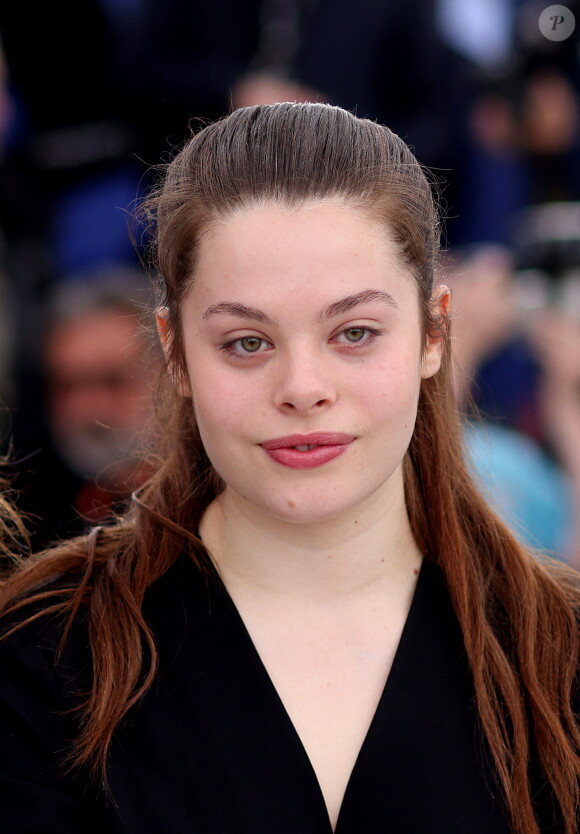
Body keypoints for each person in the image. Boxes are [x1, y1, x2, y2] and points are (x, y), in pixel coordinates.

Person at [0, 103, 578, 834]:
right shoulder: (44, 661)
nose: (303, 386)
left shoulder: (559, 657)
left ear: (435, 332)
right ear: (174, 350)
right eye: (246, 342)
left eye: (355, 332)